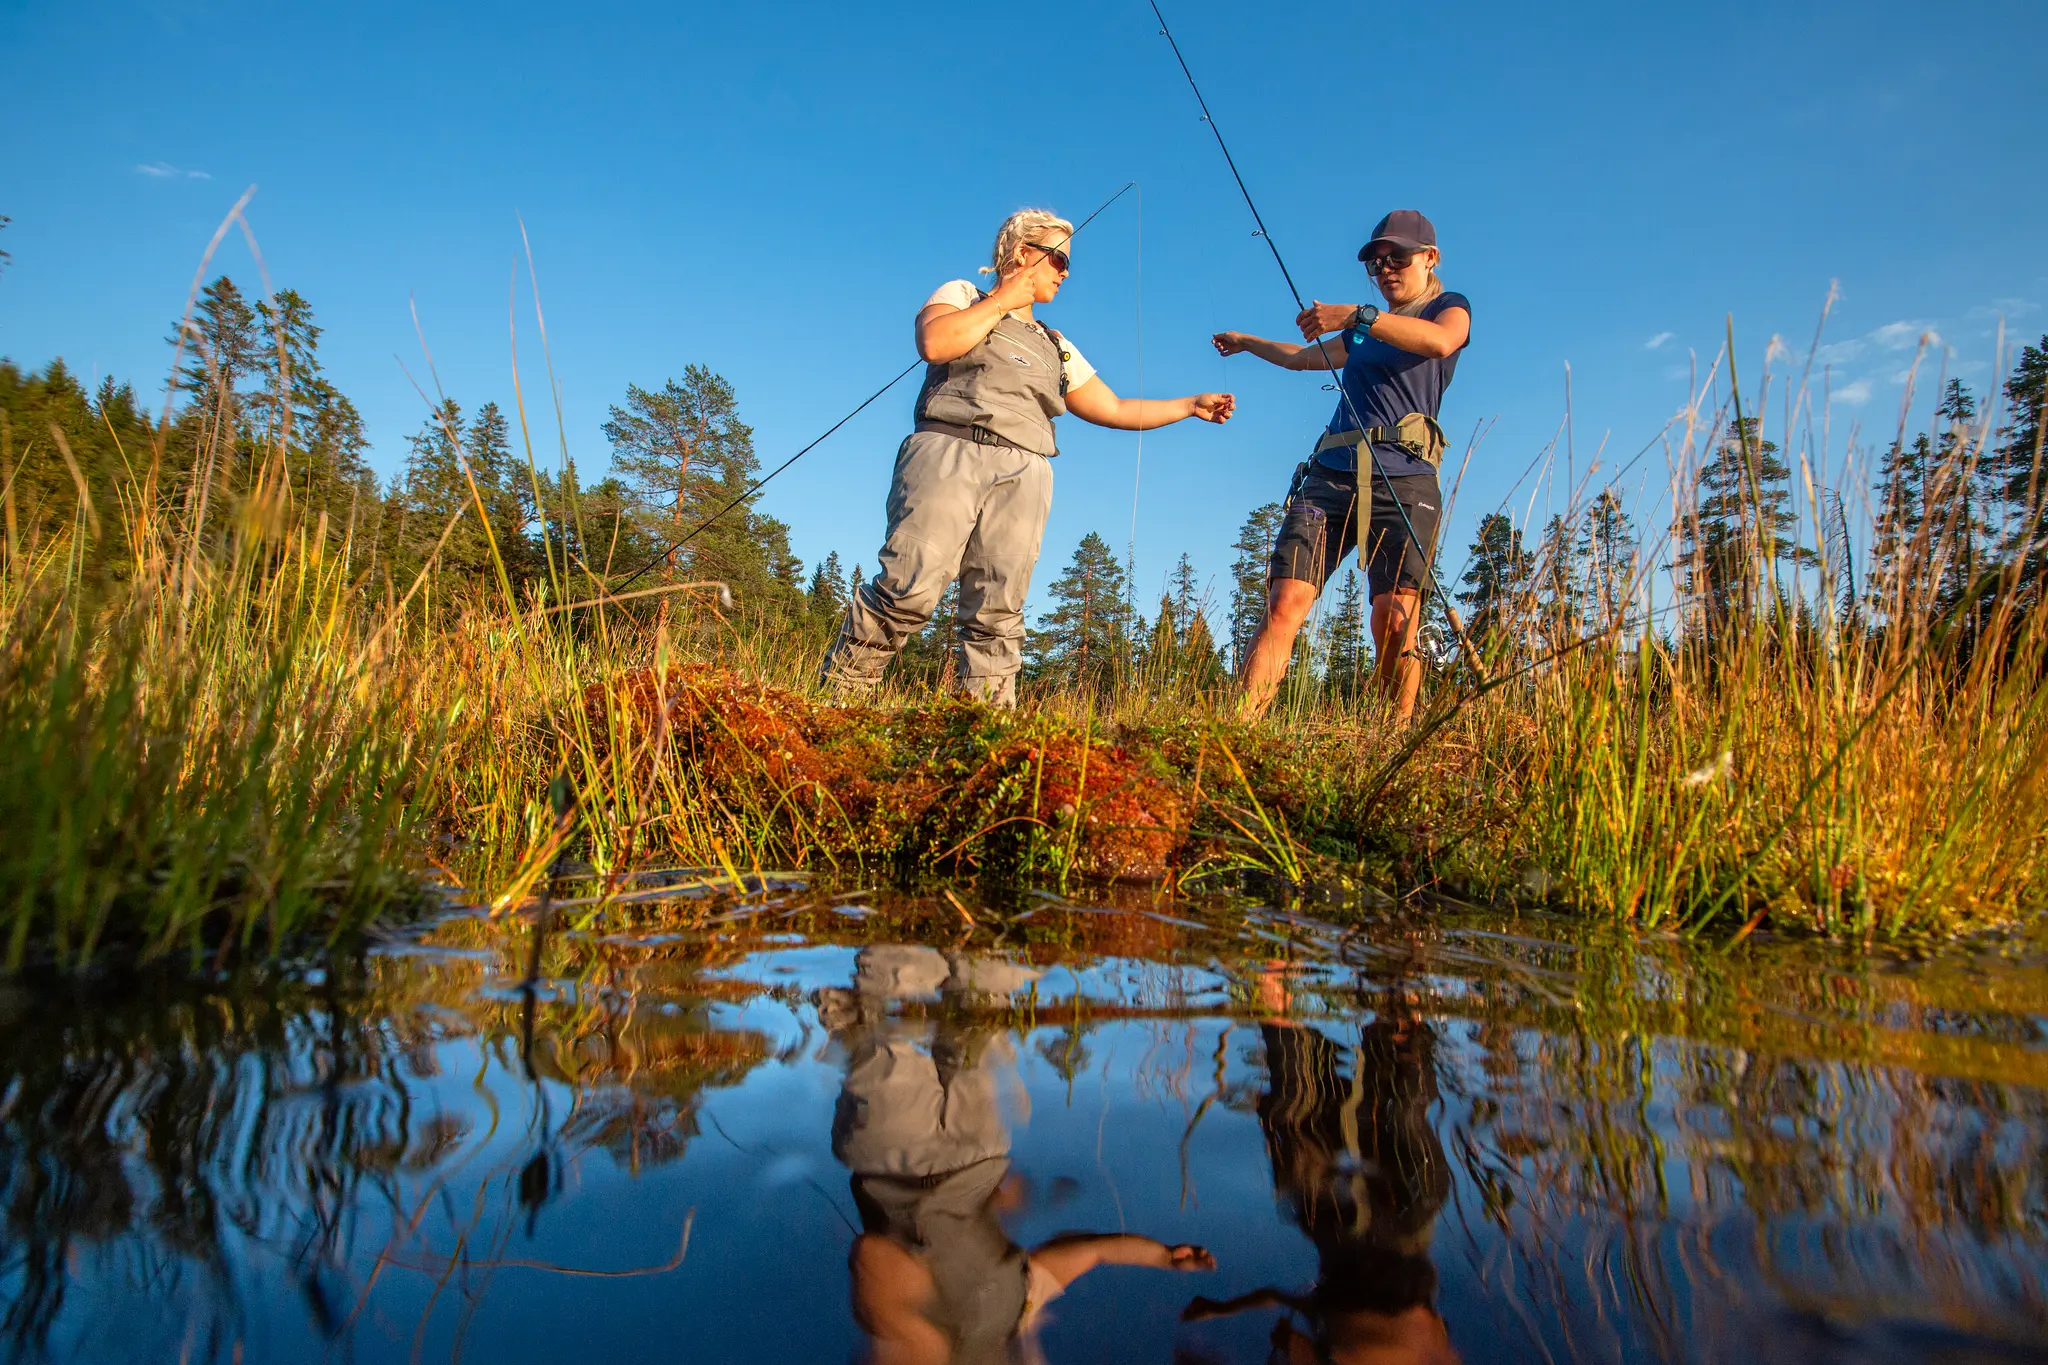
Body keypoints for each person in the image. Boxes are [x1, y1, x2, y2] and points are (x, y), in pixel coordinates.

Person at [822, 208, 1235, 707]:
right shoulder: (961, 296)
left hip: (1027, 472)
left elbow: (1114, 407)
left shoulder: (1057, 347)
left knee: (998, 613)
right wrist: (1001, 300)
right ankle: (836, 705)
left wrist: (1189, 406)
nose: (1065, 273)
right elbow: (935, 342)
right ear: (1021, 253)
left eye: (1068, 264)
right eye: (1059, 259)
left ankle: (986, 733)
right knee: (908, 588)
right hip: (949, 449)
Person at [824, 946, 1216, 1364]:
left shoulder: (926, 1352)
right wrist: (1161, 1256)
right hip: (981, 1151)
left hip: (894, 1160)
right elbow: (1090, 1253)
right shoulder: (1014, 1316)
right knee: (985, 1002)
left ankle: (902, 928)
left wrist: (898, 1323)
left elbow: (871, 1253)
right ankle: (992, 930)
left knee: (891, 1008)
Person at [1213, 209, 1471, 722]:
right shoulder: (1361, 336)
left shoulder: (1448, 306)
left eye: (1396, 257)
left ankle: (1391, 738)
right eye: (1375, 263)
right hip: (1331, 474)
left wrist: (1358, 314)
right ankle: (1235, 733)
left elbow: (1442, 341)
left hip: (1406, 476)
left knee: (1394, 620)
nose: (1385, 269)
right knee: (1285, 601)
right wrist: (1246, 343)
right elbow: (1296, 358)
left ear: (1430, 258)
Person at [1180, 970, 1459, 1365]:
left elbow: (1287, 1306)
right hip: (1377, 1224)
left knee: (1394, 1079)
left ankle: (1395, 973)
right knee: (1310, 1091)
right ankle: (1284, 974)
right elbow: (1292, 1321)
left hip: (1384, 1228)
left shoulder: (1390, 1344)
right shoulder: (1346, 1345)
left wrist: (1231, 1308)